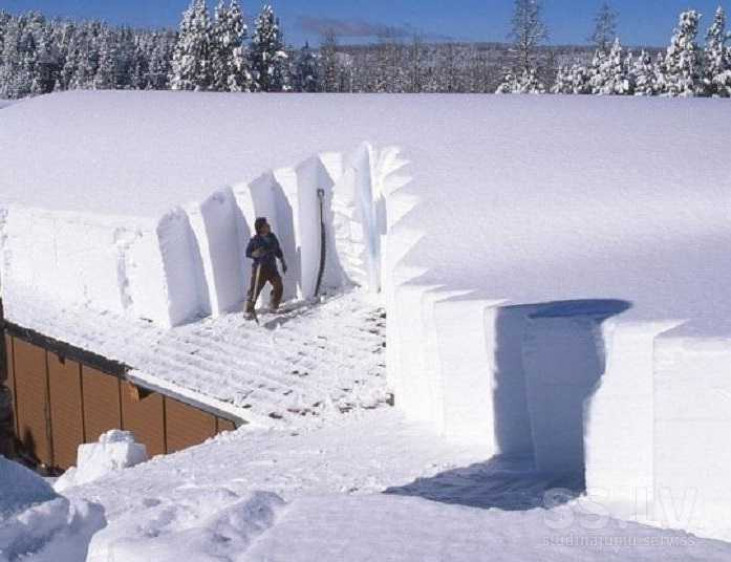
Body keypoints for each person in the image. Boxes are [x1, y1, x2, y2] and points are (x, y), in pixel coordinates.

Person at [245, 217, 288, 316]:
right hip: (260, 269)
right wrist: (254, 254)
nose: (268, 226)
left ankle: (273, 305)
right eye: (266, 225)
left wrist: (283, 261)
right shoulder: (255, 240)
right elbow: (247, 253)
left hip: (271, 268)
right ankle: (248, 310)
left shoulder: (272, 237)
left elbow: (277, 250)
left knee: (278, 286)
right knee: (254, 289)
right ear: (261, 228)